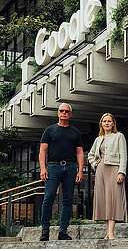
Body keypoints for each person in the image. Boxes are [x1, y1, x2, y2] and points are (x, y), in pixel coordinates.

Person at [39, 103, 84, 241]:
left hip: (70, 168)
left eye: (66, 111)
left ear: (70, 114)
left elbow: (80, 152)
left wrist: (80, 171)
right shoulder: (50, 130)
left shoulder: (75, 132)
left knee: (68, 200)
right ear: (58, 113)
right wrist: (43, 168)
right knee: (49, 198)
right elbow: (42, 150)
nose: (63, 113)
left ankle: (62, 232)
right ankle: (45, 231)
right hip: (53, 168)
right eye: (61, 111)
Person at [88, 113, 127, 239]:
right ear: (101, 124)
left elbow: (123, 156)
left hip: (114, 169)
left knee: (113, 199)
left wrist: (121, 172)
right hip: (101, 171)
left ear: (113, 123)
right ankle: (108, 232)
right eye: (104, 121)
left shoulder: (119, 136)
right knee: (104, 200)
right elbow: (90, 155)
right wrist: (95, 163)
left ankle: (111, 232)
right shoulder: (98, 139)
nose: (106, 123)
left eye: (109, 121)